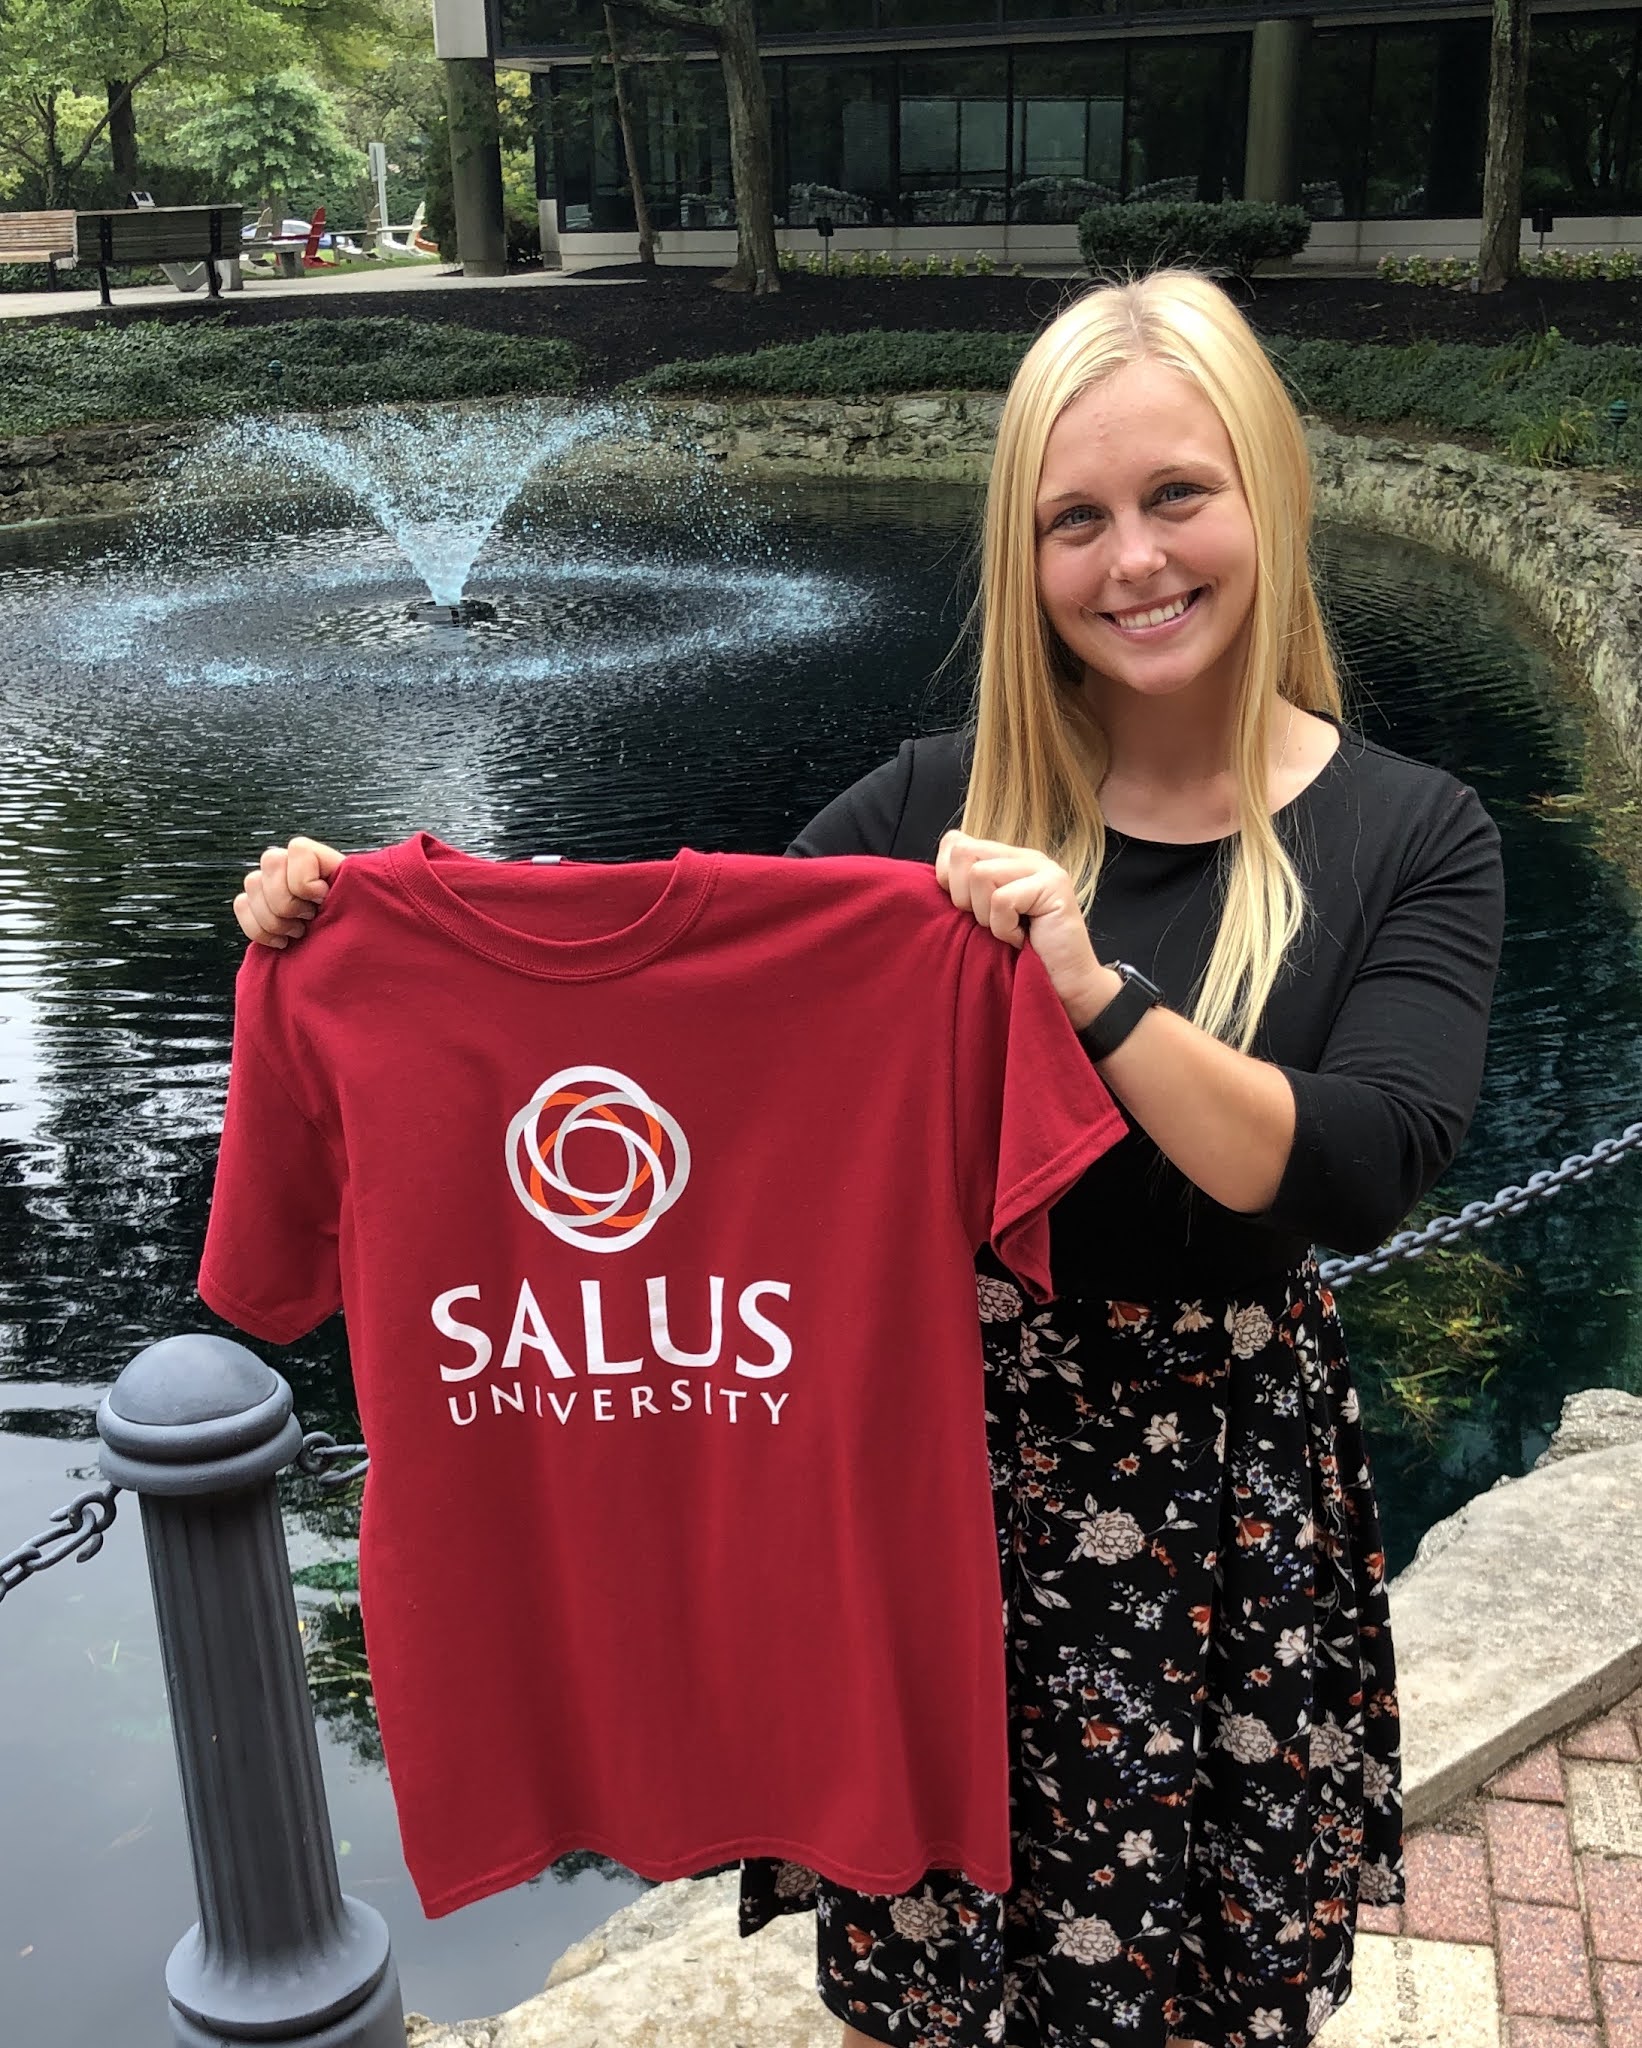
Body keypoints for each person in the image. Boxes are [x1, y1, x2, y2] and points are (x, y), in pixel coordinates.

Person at [231, 267, 1504, 2048]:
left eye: (1175, 497)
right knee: (934, 1995)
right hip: (913, 1488)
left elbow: (1364, 1162)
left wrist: (1092, 987)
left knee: (1207, 1988)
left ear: (1267, 494)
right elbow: (673, 1010)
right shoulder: (924, 815)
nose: (1132, 561)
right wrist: (378, 911)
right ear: (1025, 554)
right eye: (1076, 520)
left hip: (1211, 1501)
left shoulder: (1407, 830)